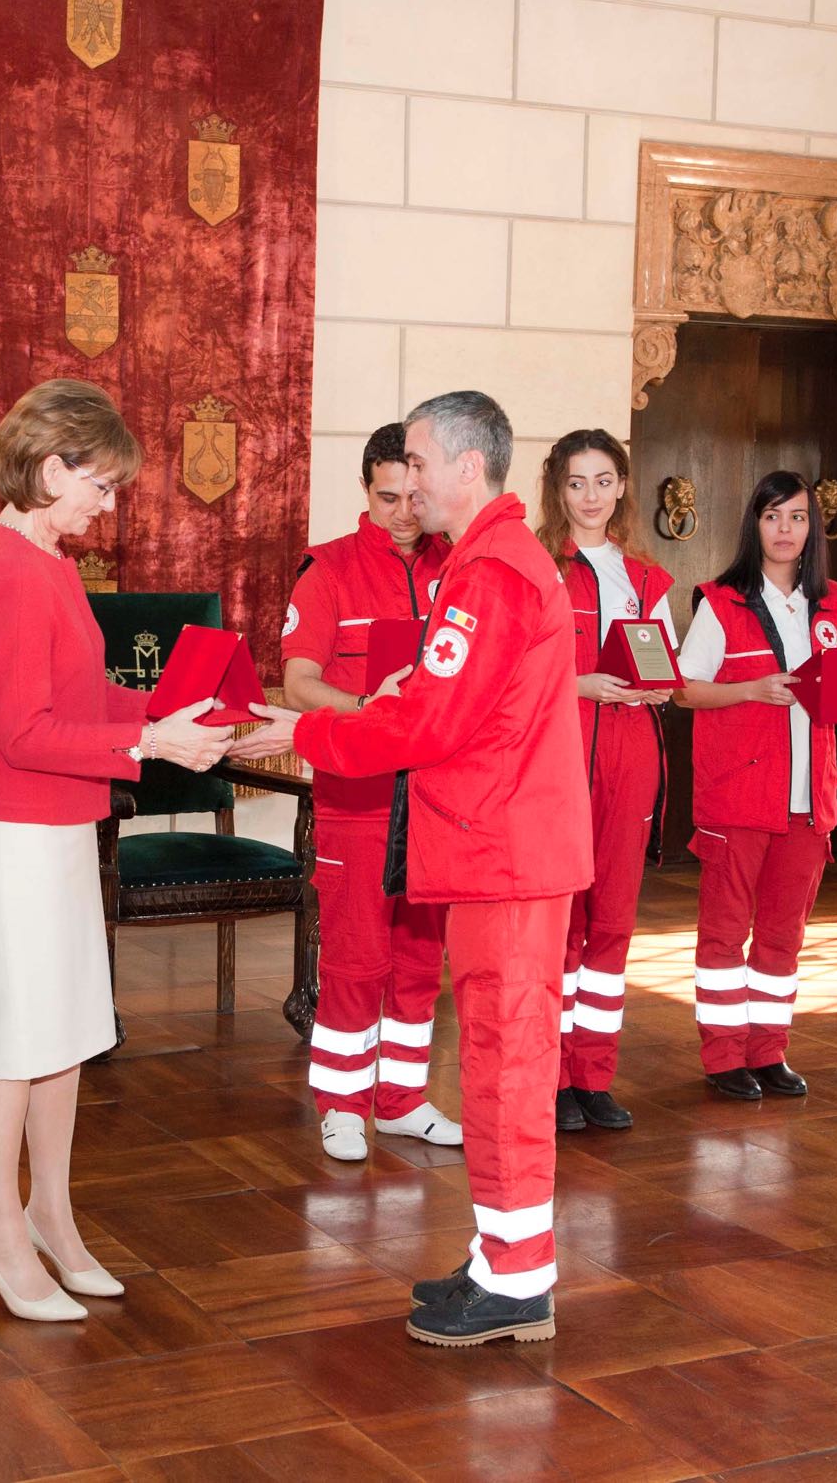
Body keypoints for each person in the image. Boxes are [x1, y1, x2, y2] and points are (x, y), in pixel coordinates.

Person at [233, 391, 593, 1347]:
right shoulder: (488, 564)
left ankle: (518, 1281)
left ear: (469, 466)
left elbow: (430, 720)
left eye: (423, 462)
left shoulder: (491, 574)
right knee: (491, 1058)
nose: (412, 480)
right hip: (495, 846)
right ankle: (500, 1255)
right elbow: (443, 700)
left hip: (503, 854)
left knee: (509, 1065)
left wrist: (304, 729)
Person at [0, 378, 231, 1321]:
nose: (108, 507)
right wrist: (150, 743)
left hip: (59, 819)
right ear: (49, 466)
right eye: (101, 487)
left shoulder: (52, 565)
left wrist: (163, 711)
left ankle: (52, 1218)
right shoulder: (8, 574)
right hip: (17, 824)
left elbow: (82, 698)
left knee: (64, 1031)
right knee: (13, 1037)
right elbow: (27, 732)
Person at [280, 422, 460, 1160]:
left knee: (421, 958)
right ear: (365, 489)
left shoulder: (462, 567)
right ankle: (342, 1103)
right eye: (388, 498)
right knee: (355, 957)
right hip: (358, 794)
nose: (403, 513)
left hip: (441, 796)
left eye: (415, 497)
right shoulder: (328, 570)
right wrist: (371, 709)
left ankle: (402, 1099)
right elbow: (297, 684)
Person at [675, 471, 837, 1100]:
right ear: (754, 525)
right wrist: (751, 690)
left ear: (813, 528)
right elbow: (684, 689)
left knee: (784, 934)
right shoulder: (720, 601)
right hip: (740, 796)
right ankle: (724, 1056)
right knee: (725, 932)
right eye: (773, 516)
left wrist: (835, 690)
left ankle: (768, 1050)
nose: (786, 530)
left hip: (811, 800)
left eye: (798, 517)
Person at [537, 430, 676, 1133]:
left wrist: (658, 687)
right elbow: (508, 674)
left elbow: (665, 664)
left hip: (632, 755)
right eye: (575, 483)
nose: (589, 496)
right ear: (556, 490)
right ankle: (553, 1077)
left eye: (602, 481)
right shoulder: (536, 568)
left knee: (614, 923)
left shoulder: (646, 576)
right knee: (561, 926)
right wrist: (578, 682)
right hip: (561, 752)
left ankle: (594, 1075)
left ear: (622, 485)